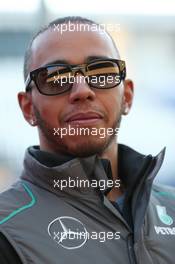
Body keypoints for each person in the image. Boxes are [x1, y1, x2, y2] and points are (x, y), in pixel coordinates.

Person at [0, 16, 175, 264]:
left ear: (127, 95)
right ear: (28, 108)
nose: (82, 91)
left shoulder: (171, 208)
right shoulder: (7, 230)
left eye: (101, 72)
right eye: (56, 77)